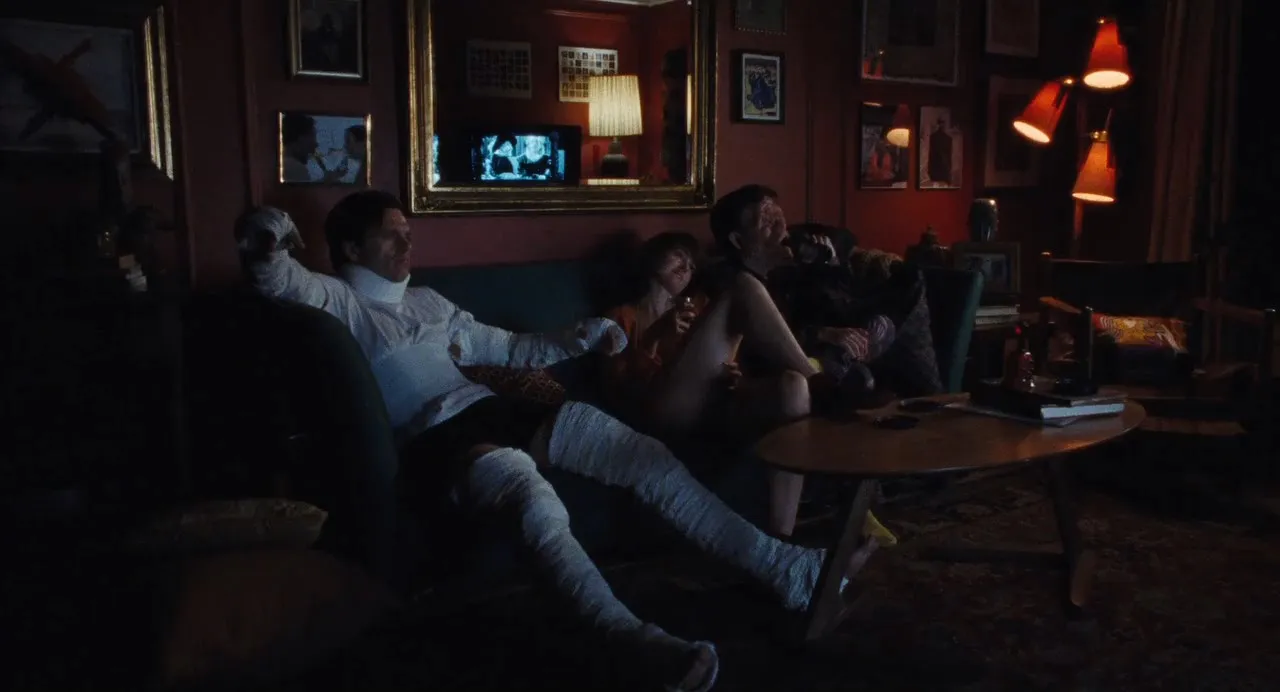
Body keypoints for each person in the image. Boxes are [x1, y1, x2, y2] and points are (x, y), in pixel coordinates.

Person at [235, 191, 873, 692]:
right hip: (437, 439)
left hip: (495, 408)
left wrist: (581, 335)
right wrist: (271, 231)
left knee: (644, 456)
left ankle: (786, 568)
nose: (408, 241)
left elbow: (510, 348)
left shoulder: (429, 302)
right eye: (391, 233)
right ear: (352, 247)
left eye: (409, 229)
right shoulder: (337, 298)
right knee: (532, 496)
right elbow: (273, 273)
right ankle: (628, 639)